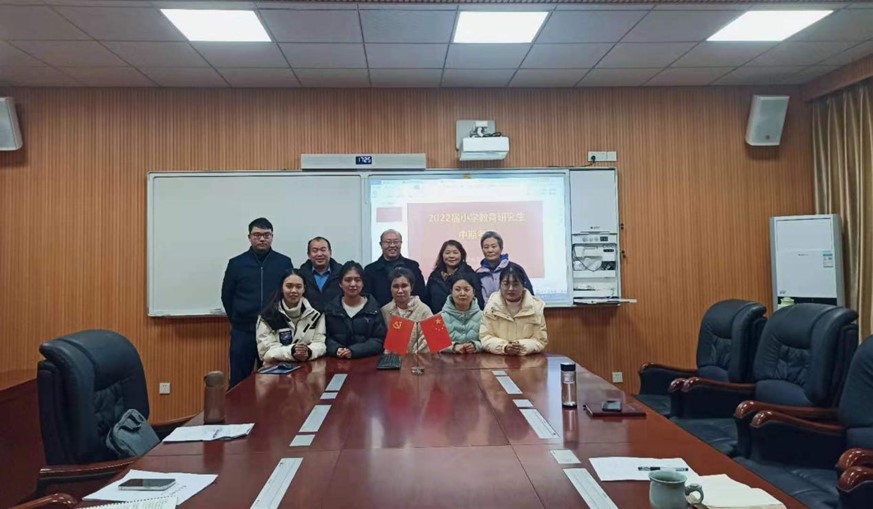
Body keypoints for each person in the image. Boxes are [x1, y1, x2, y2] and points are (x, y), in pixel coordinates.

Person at [221, 217, 293, 387]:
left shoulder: (284, 262)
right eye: (257, 235)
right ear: (249, 237)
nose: (262, 239)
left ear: (272, 237)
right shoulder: (236, 263)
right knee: (239, 381)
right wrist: (238, 318)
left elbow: (289, 293)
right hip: (243, 331)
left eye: (266, 235)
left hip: (273, 330)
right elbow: (226, 295)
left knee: (274, 382)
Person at [256, 269, 326, 366]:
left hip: (308, 366)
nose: (293, 291)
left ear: (304, 289)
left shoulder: (317, 313)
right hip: (275, 369)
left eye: (298, 287)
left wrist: (309, 351)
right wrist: (292, 351)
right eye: (289, 286)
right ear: (281, 288)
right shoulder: (268, 315)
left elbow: (320, 343)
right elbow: (265, 351)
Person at [479, 266, 547, 356]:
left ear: (523, 285)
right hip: (497, 359)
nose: (511, 288)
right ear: (500, 285)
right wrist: (504, 347)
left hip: (527, 360)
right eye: (506, 284)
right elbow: (485, 337)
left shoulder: (536, 308)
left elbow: (540, 340)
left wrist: (520, 346)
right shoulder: (491, 307)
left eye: (515, 284)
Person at [324, 261, 387, 359]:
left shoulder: (373, 309)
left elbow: (379, 340)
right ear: (340, 283)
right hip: (336, 361)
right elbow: (324, 338)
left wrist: (354, 351)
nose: (353, 284)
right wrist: (336, 349)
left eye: (357, 280)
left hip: (367, 362)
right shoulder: (331, 309)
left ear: (363, 283)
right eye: (348, 280)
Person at [364, 229, 426, 308]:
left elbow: (421, 295)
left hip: (410, 313)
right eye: (388, 242)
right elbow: (368, 299)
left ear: (401, 243)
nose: (392, 245)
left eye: (396, 242)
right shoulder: (370, 270)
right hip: (380, 313)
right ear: (381, 244)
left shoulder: (412, 266)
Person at [476, 230, 533, 309]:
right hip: (487, 314)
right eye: (486, 247)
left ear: (501, 248)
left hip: (513, 313)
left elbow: (529, 295)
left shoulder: (515, 269)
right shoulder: (478, 274)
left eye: (493, 246)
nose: (490, 250)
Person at [381, 268, 433, 354]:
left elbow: (434, 342)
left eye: (404, 286)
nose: (400, 291)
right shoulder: (384, 311)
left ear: (411, 287)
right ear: (390, 288)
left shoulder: (424, 310)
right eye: (395, 286)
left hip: (419, 359)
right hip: (391, 360)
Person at [424, 239, 480, 314]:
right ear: (442, 255)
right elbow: (427, 300)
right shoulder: (434, 276)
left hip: (463, 318)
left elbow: (478, 301)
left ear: (462, 255)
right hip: (437, 319)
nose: (451, 256)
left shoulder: (470, 275)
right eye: (447, 253)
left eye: (455, 253)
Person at [441, 273, 483, 354]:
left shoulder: (484, 316)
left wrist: (476, 346)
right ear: (451, 292)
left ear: (473, 292)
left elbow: (489, 340)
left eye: (466, 290)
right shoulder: (438, 318)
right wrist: (453, 347)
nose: (462, 293)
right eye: (457, 290)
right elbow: (434, 344)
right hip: (447, 361)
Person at [298, 236, 343, 312]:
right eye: (315, 250)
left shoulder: (342, 274)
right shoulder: (301, 275)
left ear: (330, 252)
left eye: (323, 250)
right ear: (309, 255)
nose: (319, 254)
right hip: (309, 318)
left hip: (336, 317)